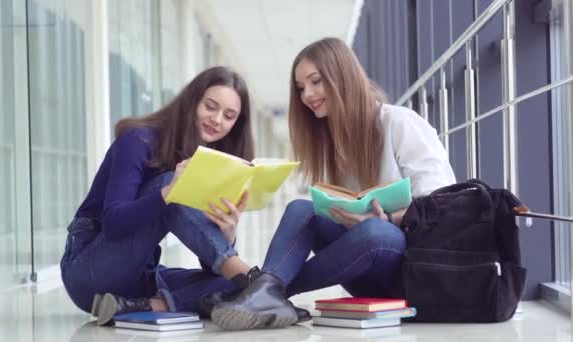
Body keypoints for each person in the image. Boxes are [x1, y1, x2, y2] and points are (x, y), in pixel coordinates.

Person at [210, 37, 457, 330]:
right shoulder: (336, 146)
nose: (307, 95)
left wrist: (388, 217)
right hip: (365, 271)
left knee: (375, 230)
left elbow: (441, 205)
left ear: (343, 76)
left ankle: (261, 292)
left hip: (411, 269)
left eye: (316, 82)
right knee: (302, 209)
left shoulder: (399, 122)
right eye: (301, 88)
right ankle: (267, 290)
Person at [61, 66, 260, 326]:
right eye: (210, 106)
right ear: (192, 102)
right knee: (169, 183)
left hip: (138, 283)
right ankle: (255, 279)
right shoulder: (138, 139)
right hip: (89, 273)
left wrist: (228, 233)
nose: (217, 119)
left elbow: (208, 265)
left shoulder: (204, 162)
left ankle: (146, 307)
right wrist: (168, 192)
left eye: (229, 115)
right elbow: (113, 222)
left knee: (230, 284)